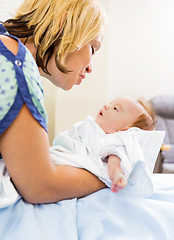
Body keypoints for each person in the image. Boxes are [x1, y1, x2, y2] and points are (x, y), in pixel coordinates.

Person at [0, 0, 107, 204]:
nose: (90, 67)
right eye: (93, 48)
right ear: (64, 25)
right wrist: (107, 177)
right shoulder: (16, 62)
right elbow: (39, 186)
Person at [52, 96, 156, 194]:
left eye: (115, 108)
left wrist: (117, 174)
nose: (107, 106)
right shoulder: (91, 126)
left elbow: (115, 160)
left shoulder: (114, 141)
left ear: (124, 130)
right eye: (111, 104)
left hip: (70, 165)